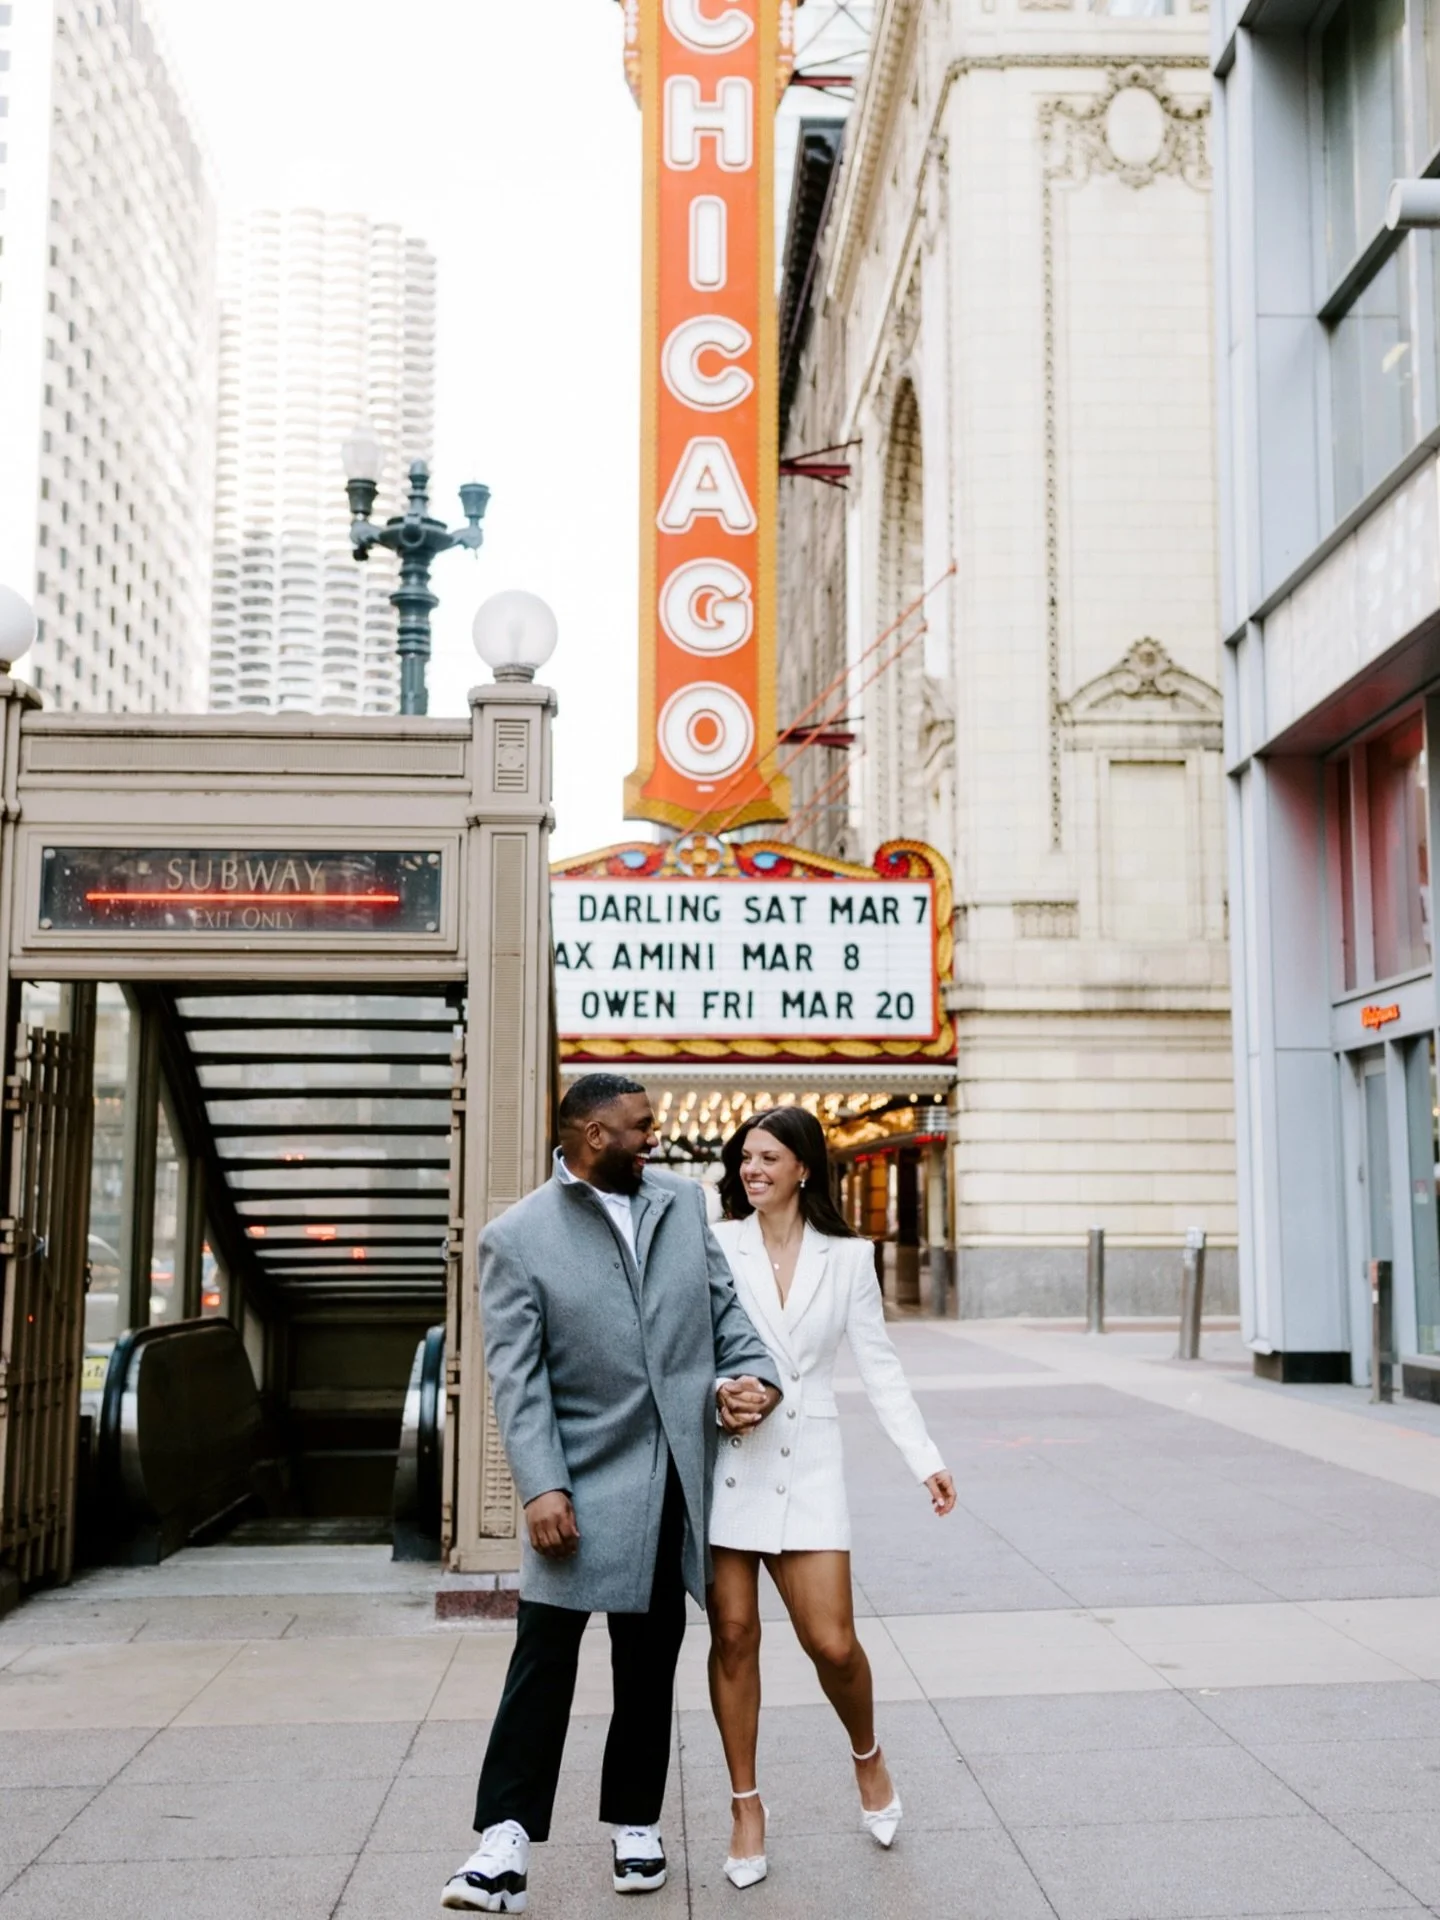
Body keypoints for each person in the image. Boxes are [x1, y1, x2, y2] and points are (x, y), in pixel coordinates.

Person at [442, 1074, 784, 1914]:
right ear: (595, 1135)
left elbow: (726, 1313)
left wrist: (755, 1376)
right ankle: (502, 1841)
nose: (653, 1138)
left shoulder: (679, 1204)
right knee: (542, 1661)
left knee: (648, 1658)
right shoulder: (516, 1238)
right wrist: (542, 1485)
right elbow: (516, 1377)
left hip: (669, 1475)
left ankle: (636, 1821)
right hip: (575, 1481)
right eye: (640, 1127)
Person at [706, 1106, 957, 1889]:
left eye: (768, 1158)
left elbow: (879, 1365)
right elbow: (689, 1345)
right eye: (746, 1158)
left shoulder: (849, 1258)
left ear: (804, 1168)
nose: (752, 1170)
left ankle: (867, 1755)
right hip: (728, 1456)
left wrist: (924, 1457)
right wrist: (719, 1394)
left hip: (808, 1458)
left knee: (834, 1644)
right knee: (733, 1635)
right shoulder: (716, 1243)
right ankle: (746, 1807)